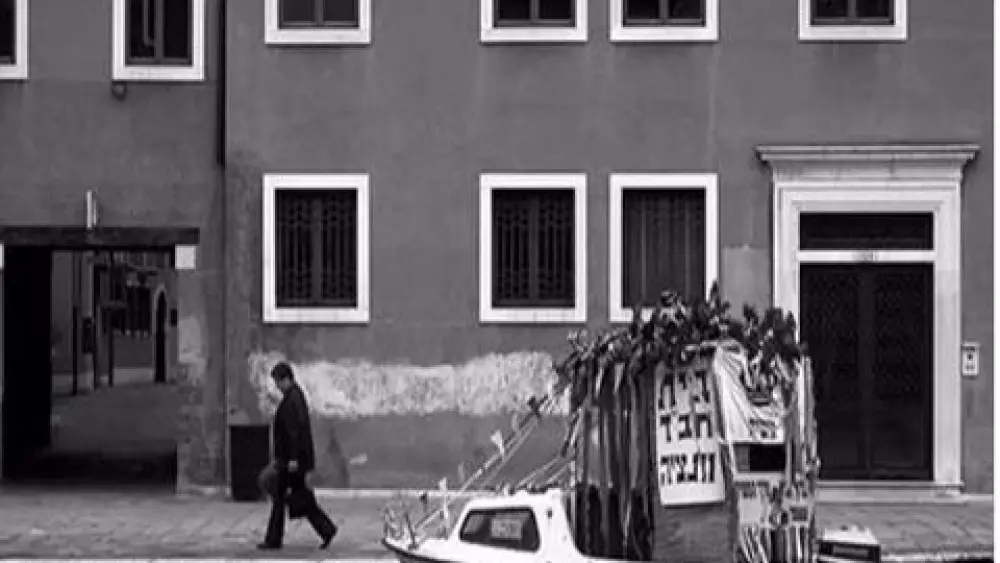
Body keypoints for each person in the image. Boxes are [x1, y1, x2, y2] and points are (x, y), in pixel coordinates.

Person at [258, 361, 338, 551]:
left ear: (286, 379)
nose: (277, 386)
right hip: (293, 460)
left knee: (288, 497)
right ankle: (325, 529)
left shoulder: (292, 400)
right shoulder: (295, 396)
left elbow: (294, 432)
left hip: (291, 461)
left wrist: (293, 458)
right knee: (298, 497)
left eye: (278, 382)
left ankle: (275, 539)